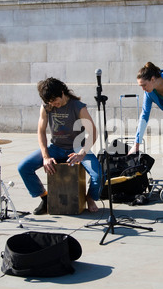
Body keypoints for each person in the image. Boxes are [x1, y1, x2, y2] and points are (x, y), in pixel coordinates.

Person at [18, 77, 102, 215]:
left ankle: (90, 198)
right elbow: (41, 131)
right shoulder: (46, 106)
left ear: (62, 93)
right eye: (50, 102)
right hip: (55, 148)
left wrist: (82, 153)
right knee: (24, 167)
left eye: (55, 101)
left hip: (76, 148)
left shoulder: (78, 106)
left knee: (97, 174)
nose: (53, 105)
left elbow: (92, 132)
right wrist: (45, 157)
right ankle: (45, 199)